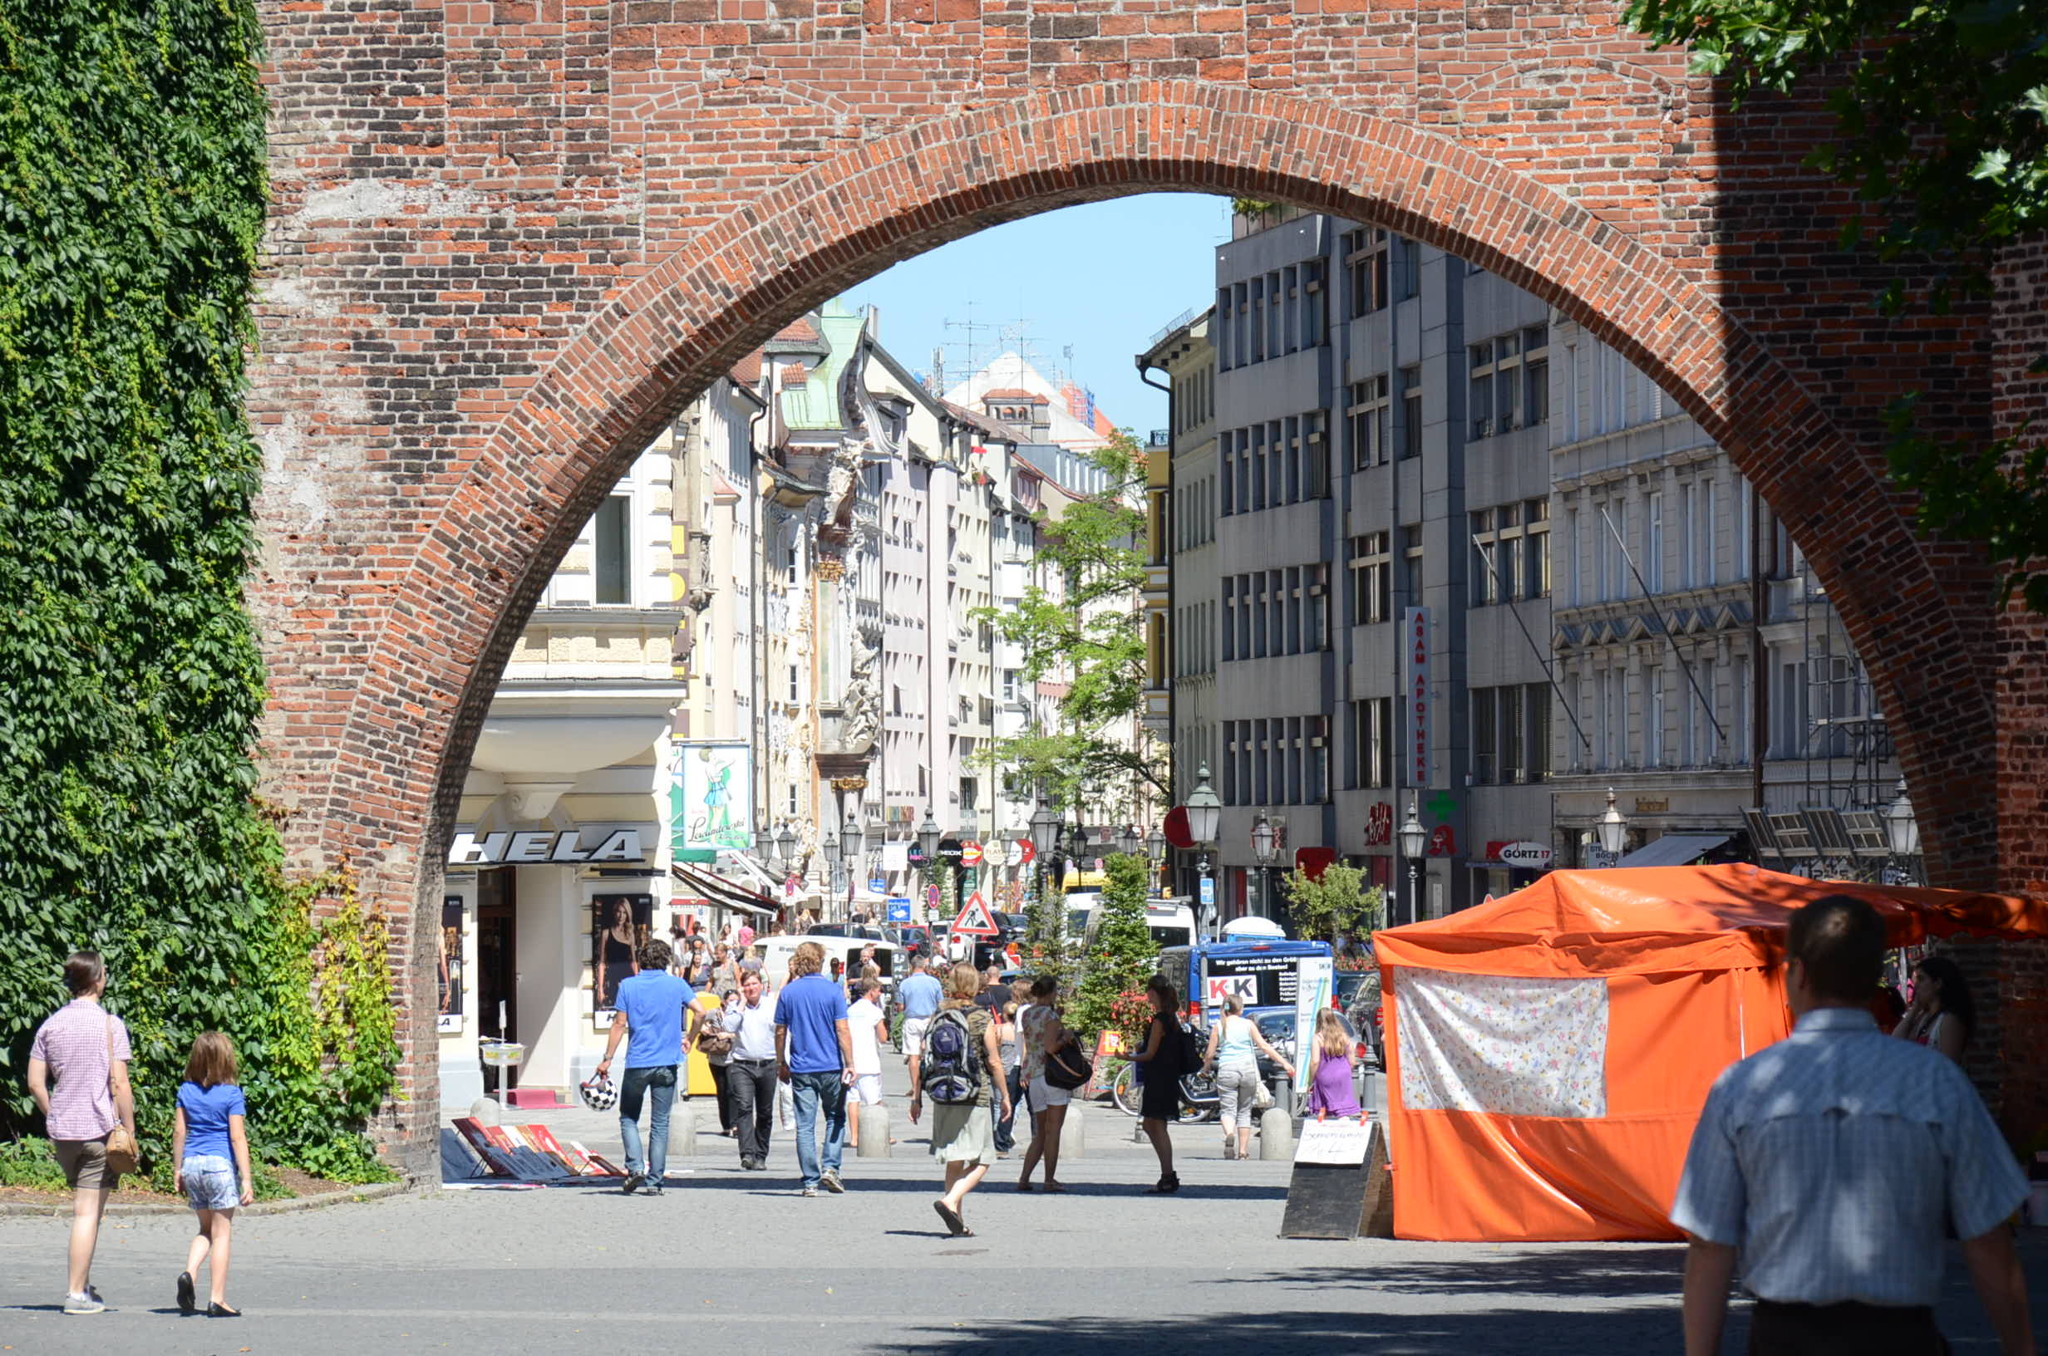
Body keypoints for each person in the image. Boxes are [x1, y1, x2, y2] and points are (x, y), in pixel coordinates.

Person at [1673, 895, 2034, 1356]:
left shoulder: (1742, 1087)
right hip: (1901, 1337)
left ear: (1798, 974)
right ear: (1873, 979)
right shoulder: (1935, 1081)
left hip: (1785, 1335)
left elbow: (1710, 1243)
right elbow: (1988, 1237)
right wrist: (2021, 1347)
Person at [26, 951, 136, 1315]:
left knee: (85, 1210)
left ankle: (83, 1284)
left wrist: (55, 1114)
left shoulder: (51, 1025)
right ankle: (75, 1293)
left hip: (63, 1135)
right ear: (98, 979)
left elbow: (35, 1083)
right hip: (97, 1131)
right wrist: (130, 1128)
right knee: (87, 1214)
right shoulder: (110, 1025)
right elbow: (121, 1083)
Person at [595, 939, 707, 1195]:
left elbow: (619, 1024)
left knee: (628, 1117)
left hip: (638, 1062)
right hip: (667, 1063)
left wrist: (608, 1058)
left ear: (641, 960)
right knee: (660, 1123)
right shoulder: (677, 984)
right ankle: (655, 1182)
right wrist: (690, 1038)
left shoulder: (628, 986)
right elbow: (700, 1012)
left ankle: (635, 1167)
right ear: (665, 960)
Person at [909, 964, 1012, 1236]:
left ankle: (957, 1220)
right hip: (974, 1094)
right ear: (974, 985)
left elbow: (923, 1057)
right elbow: (994, 1061)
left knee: (955, 1158)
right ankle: (950, 1200)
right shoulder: (980, 1017)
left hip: (943, 1093)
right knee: (983, 1159)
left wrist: (916, 1097)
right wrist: (1005, 1095)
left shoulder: (938, 1015)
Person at [171, 1031, 255, 1317]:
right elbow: (237, 1137)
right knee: (221, 1234)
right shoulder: (231, 1094)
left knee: (205, 1229)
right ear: (226, 1059)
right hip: (219, 1165)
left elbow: (179, 1132)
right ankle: (217, 1299)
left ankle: (189, 1273)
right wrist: (246, 1179)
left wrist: (178, 1169)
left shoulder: (186, 1090)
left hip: (192, 1164)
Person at [775, 940, 854, 1196]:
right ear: (820, 961)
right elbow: (842, 1029)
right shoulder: (833, 991)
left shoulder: (788, 993)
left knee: (805, 1125)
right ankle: (830, 1167)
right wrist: (850, 1063)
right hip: (831, 1065)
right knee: (835, 1117)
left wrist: (781, 1062)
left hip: (802, 1067)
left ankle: (810, 1181)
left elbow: (780, 1031)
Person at [1201, 995, 1294, 1159]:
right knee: (1244, 1111)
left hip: (1227, 1069)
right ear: (1240, 1009)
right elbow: (1264, 1046)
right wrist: (1285, 1063)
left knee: (1227, 1110)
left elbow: (1210, 1053)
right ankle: (1243, 1152)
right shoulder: (1248, 1024)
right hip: (1247, 1069)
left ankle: (1229, 1134)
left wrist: (1206, 1068)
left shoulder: (1218, 1026)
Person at [1126, 974, 1186, 1194]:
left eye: (1148, 991)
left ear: (1153, 992)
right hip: (1165, 1077)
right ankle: (1167, 1173)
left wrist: (1127, 1057)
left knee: (1156, 1124)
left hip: (1160, 1078)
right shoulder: (1171, 1018)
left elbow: (1150, 1053)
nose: (1146, 995)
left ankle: (1168, 1175)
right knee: (1152, 1124)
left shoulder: (1160, 1020)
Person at [1015, 977, 1070, 1192]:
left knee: (1040, 1132)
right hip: (1052, 1074)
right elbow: (1050, 1047)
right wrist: (1065, 1037)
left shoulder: (1027, 1014)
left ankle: (1024, 1177)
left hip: (1033, 1073)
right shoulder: (1050, 1016)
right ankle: (1049, 1179)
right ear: (1051, 992)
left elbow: (1035, 1040)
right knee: (1053, 1130)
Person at [722, 968, 778, 1170]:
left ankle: (760, 1155)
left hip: (768, 1063)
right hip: (742, 1065)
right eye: (747, 985)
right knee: (744, 1107)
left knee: (765, 1112)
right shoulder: (735, 1007)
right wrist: (741, 1005)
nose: (751, 988)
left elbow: (781, 1032)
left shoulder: (772, 1005)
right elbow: (729, 1027)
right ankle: (747, 1153)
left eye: (754, 984)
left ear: (761, 986)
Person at [1893, 953, 1974, 1063]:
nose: (1916, 985)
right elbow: (1896, 1042)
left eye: (1921, 979)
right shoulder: (1924, 1017)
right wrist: (1915, 1009)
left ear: (1937, 984)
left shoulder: (1949, 1020)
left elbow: (1949, 1064)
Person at [846, 977, 889, 1151]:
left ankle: (854, 1137)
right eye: (878, 991)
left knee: (853, 1099)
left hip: (851, 1061)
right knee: (874, 1101)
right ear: (871, 991)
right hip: (869, 1060)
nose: (879, 994)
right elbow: (883, 1037)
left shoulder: (850, 1010)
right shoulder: (874, 1011)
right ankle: (880, 1135)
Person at [694, 987, 736, 1137]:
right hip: (716, 1058)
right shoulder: (714, 1013)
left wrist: (729, 1035)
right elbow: (699, 1017)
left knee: (732, 1091)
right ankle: (726, 1126)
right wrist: (703, 1028)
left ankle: (735, 1125)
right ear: (724, 1001)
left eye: (735, 1001)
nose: (733, 1003)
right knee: (722, 1091)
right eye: (730, 1000)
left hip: (733, 1058)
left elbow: (743, 1032)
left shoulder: (739, 1014)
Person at [1302, 1008, 1357, 1119]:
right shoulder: (1343, 1036)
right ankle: (1344, 1124)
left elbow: (1315, 1061)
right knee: (1343, 1110)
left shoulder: (1318, 1038)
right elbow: (1352, 1058)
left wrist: (1310, 1080)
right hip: (1344, 1074)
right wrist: (1348, 1070)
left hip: (1326, 1075)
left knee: (1325, 1109)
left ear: (1319, 1021)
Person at [898, 956, 943, 1059]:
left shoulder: (905, 984)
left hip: (912, 1020)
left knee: (913, 1055)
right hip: (930, 1020)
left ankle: (914, 1069)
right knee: (930, 1053)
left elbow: (901, 1007)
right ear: (924, 966)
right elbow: (941, 1003)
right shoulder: (934, 982)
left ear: (911, 966)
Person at [596, 899, 637, 1011]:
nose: (621, 916)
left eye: (624, 913)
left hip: (628, 979)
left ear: (628, 915)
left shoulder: (630, 935)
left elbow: (634, 962)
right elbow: (602, 963)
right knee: (614, 1010)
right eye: (619, 912)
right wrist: (600, 989)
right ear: (614, 912)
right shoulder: (606, 933)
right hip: (612, 979)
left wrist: (638, 984)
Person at [991, 1001, 1021, 1155]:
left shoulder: (998, 1029)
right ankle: (1009, 1132)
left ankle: (1000, 1138)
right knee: (1018, 1104)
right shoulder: (1021, 1030)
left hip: (1003, 1070)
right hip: (1020, 1067)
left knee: (1000, 1104)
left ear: (1004, 1014)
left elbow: (994, 1052)